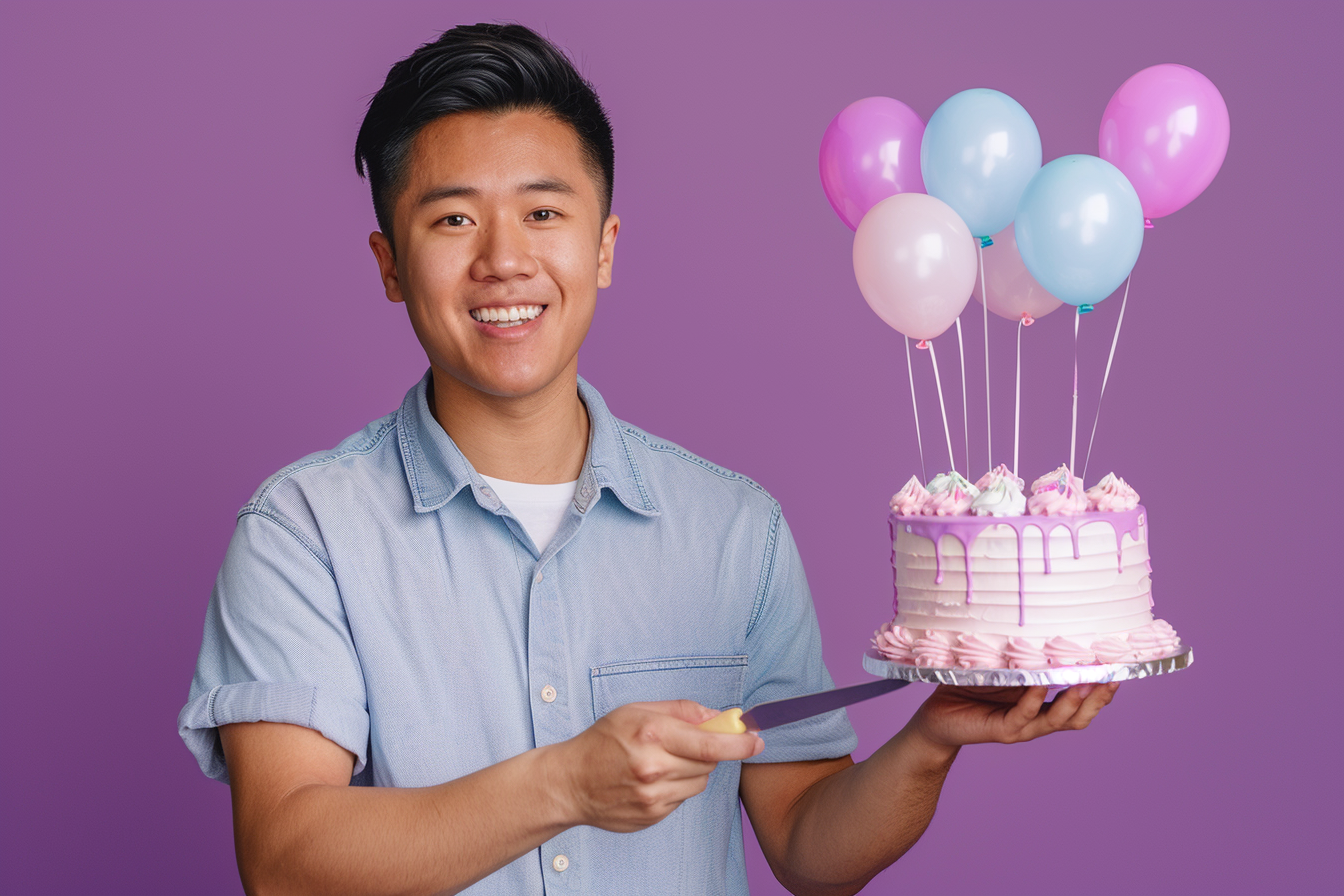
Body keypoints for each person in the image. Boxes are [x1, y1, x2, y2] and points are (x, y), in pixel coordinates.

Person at [179, 23, 1117, 896]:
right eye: (453, 221)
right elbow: (287, 858)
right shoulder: (302, 532)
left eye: (544, 212)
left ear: (604, 247)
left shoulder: (734, 530)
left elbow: (807, 846)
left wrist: (931, 740)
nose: (505, 259)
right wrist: (565, 784)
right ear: (389, 264)